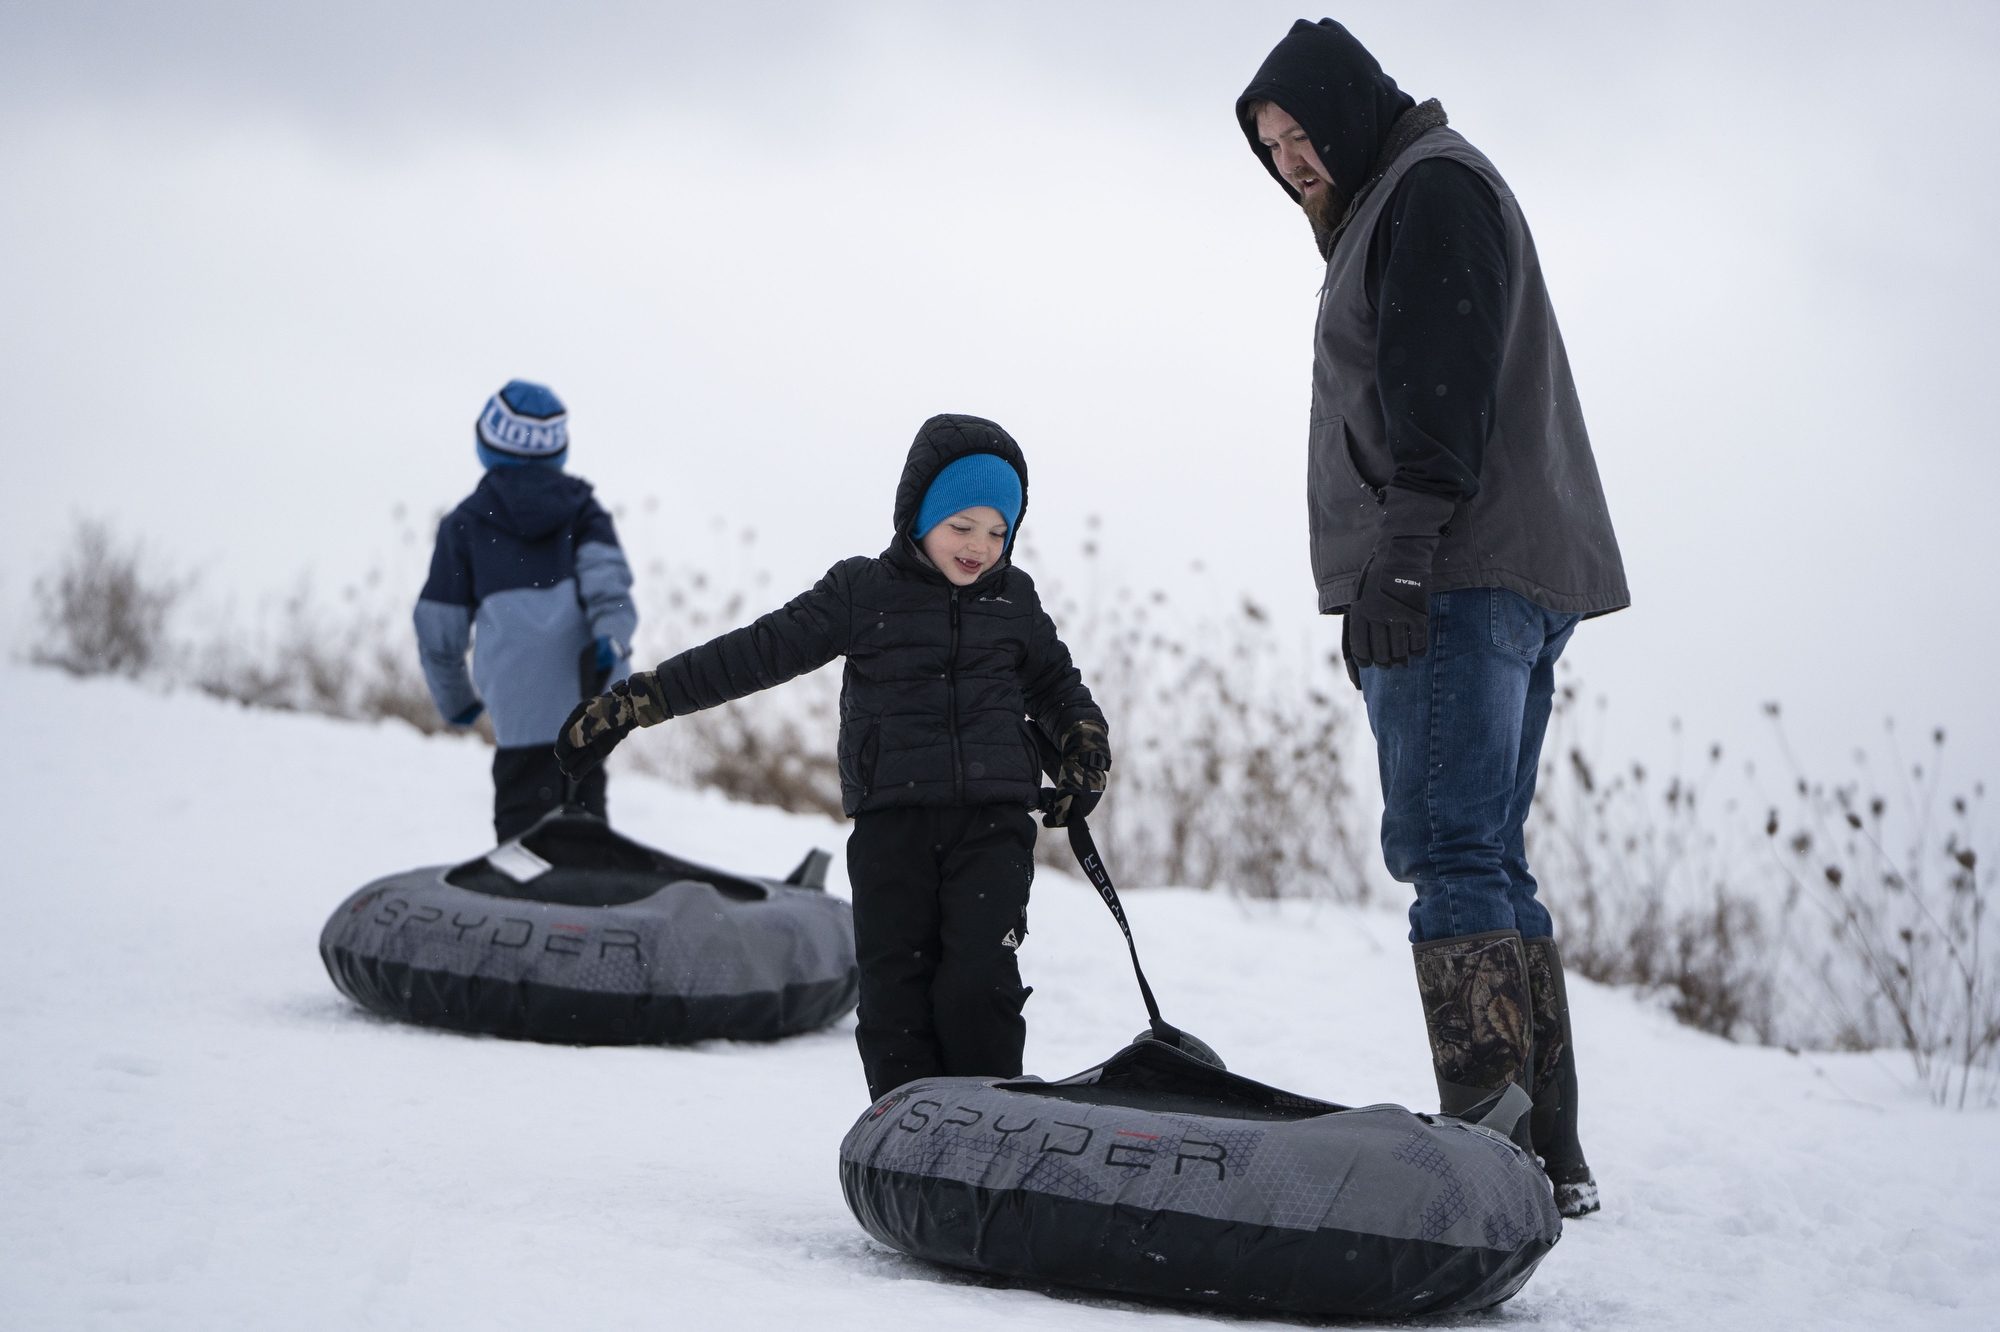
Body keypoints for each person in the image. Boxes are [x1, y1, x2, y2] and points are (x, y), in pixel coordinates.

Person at [1238, 19, 1628, 1217]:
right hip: (1501, 565)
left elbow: (1438, 376)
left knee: (1447, 853)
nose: (1294, 160)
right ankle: (1543, 1159)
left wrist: (1399, 556)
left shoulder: (1427, 189)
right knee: (1485, 854)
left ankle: (1487, 1159)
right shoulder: (1416, 187)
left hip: (1451, 574)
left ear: (1353, 109)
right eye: (1272, 147)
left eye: (1304, 132)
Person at [552, 414, 1109, 1101]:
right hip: (891, 825)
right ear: (919, 515)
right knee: (894, 994)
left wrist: (1084, 741)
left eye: (998, 531)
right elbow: (751, 654)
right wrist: (639, 703)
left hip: (991, 826)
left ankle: (989, 1133)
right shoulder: (862, 593)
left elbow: (1058, 687)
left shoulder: (1014, 602)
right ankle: (906, 1142)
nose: (979, 547)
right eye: (962, 526)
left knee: (978, 985)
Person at [414, 379, 637, 842]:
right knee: (585, 803)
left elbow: (440, 629)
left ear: (487, 445)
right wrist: (611, 638)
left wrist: (456, 701)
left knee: (523, 819)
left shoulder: (465, 525)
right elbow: (610, 587)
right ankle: (593, 889)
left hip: (516, 698)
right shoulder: (586, 514)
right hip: (588, 692)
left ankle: (525, 895)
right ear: (559, 450)